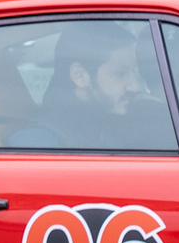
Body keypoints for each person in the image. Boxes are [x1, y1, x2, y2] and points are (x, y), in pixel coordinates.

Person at [40, 21, 168, 149]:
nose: (134, 86)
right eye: (121, 73)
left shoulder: (100, 124)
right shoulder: (42, 147)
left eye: (133, 71)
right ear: (79, 75)